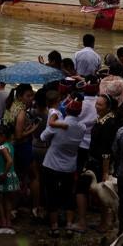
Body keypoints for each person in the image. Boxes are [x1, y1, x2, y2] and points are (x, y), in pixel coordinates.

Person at [39, 98, 86, 236]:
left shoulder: (58, 125)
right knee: (68, 195)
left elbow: (42, 137)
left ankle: (54, 227)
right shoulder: (82, 127)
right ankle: (69, 225)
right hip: (70, 166)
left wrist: (53, 122)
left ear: (67, 110)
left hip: (51, 164)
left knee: (51, 194)